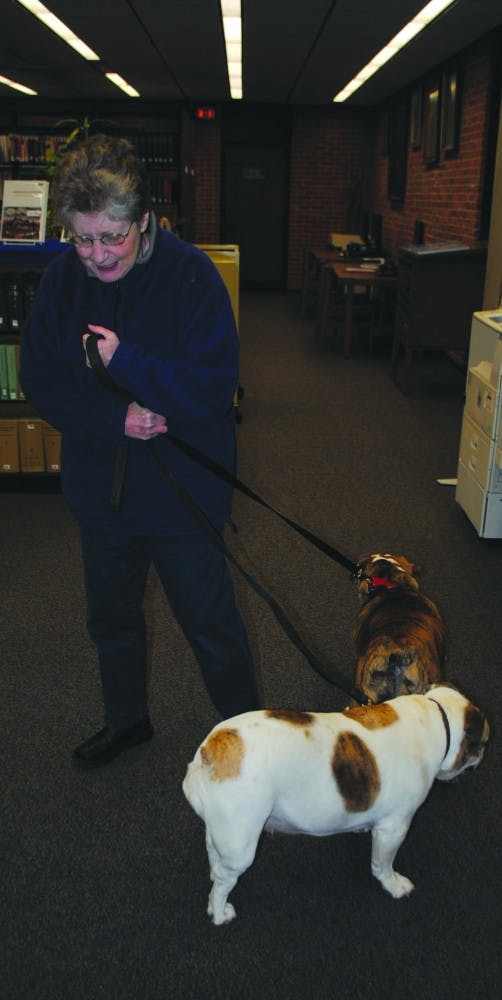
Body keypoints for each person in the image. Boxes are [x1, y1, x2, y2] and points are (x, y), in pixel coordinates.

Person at [20, 134, 262, 768]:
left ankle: (256, 746)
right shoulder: (61, 281)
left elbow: (212, 387)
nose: (97, 257)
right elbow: (41, 381)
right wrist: (113, 417)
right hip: (103, 495)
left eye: (112, 238)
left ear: (147, 221)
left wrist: (126, 360)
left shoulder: (191, 274)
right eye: (82, 239)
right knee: (111, 623)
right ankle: (126, 721)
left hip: (184, 495)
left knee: (212, 629)